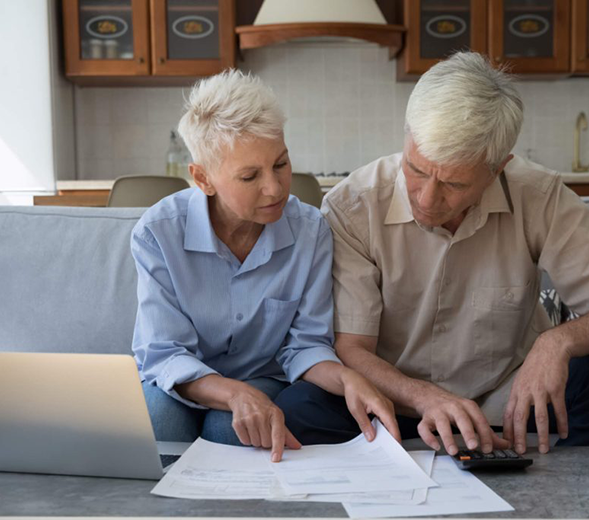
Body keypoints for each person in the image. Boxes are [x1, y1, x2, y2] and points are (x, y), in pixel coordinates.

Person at [276, 52, 589, 455]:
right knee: (297, 409)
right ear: (406, 137)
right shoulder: (353, 206)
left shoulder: (538, 196)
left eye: (454, 183)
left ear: (498, 167)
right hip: (395, 397)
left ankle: (581, 496)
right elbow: (352, 348)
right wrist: (424, 397)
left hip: (512, 396)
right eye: (416, 170)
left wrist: (557, 343)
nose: (428, 199)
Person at [130, 70, 399, 462]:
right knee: (159, 424)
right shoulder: (157, 234)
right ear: (203, 178)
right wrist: (235, 393)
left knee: (233, 432)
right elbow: (164, 353)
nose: (274, 188)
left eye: (281, 163)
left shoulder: (311, 232)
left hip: (263, 380)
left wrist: (348, 378)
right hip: (177, 383)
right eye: (249, 176)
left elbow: (306, 346)